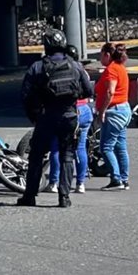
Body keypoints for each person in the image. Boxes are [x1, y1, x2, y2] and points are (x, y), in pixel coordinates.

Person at [17, 29, 92, 208]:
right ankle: (64, 197)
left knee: (36, 156)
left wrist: (34, 116)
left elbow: (26, 95)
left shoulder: (38, 67)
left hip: (46, 117)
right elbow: (88, 91)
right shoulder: (75, 65)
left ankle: (30, 196)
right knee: (67, 155)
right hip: (69, 117)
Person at [44, 45, 94, 194]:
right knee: (80, 148)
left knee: (57, 148)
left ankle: (54, 182)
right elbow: (88, 92)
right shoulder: (82, 70)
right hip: (84, 110)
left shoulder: (63, 69)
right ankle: (80, 183)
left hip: (67, 110)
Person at [95, 42, 131, 190]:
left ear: (107, 55)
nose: (99, 58)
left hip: (114, 111)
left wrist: (102, 111)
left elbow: (110, 92)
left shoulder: (111, 70)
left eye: (100, 54)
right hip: (123, 109)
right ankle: (124, 179)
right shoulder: (120, 68)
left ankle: (116, 179)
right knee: (120, 147)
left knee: (106, 147)